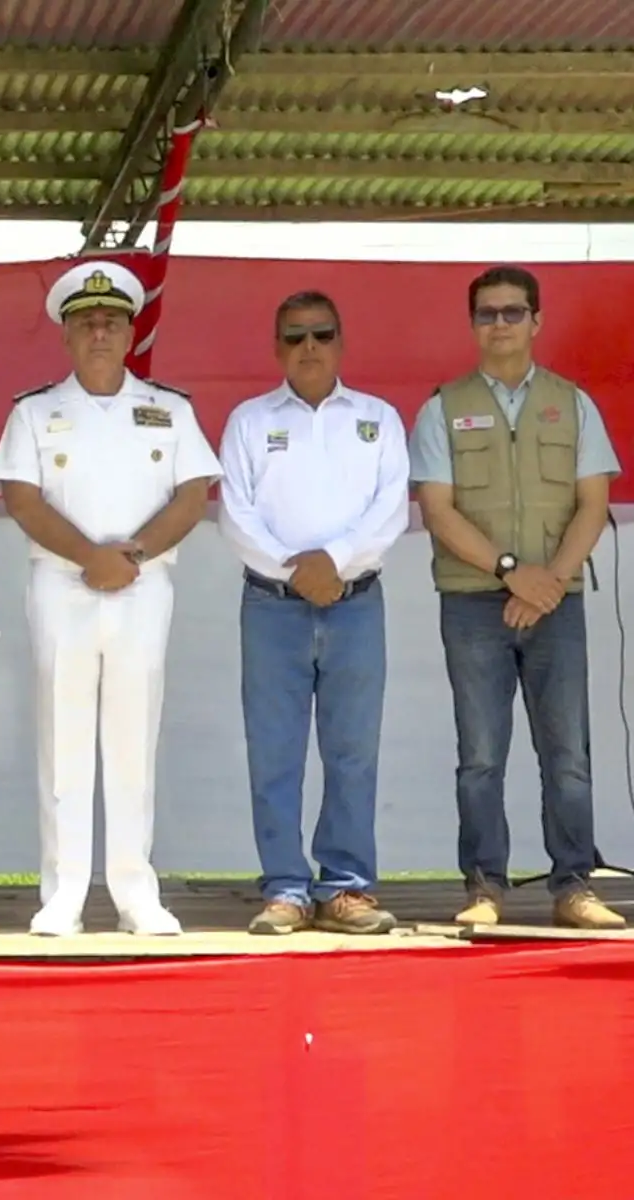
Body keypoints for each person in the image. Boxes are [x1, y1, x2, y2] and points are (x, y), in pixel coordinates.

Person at [0, 262, 220, 937]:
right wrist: (91, 558)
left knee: (131, 738)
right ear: (65, 335)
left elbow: (191, 494)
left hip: (142, 587)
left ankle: (134, 892)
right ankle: (62, 893)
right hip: (63, 585)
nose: (99, 330)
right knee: (62, 740)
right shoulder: (35, 411)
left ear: (130, 332)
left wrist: (132, 556)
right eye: (86, 321)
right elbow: (22, 499)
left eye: (112, 320)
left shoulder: (169, 409)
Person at [408, 264, 624, 931]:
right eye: (486, 313)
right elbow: (438, 510)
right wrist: (512, 572)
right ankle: (484, 887)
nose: (499, 324)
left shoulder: (573, 402)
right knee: (481, 755)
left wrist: (549, 579)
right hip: (474, 603)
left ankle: (574, 885)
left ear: (537, 320)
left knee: (568, 755)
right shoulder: (441, 407)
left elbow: (594, 502)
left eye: (512, 312)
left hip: (556, 602)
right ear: (472, 324)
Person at [217, 292, 409, 936]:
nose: (309, 347)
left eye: (321, 335)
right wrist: (296, 570)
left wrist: (332, 561)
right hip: (272, 606)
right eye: (294, 337)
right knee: (275, 752)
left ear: (340, 341)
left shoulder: (378, 419)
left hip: (355, 604)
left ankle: (346, 887)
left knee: (352, 751)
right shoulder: (248, 420)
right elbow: (235, 514)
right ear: (276, 347)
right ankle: (285, 888)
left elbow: (391, 511)